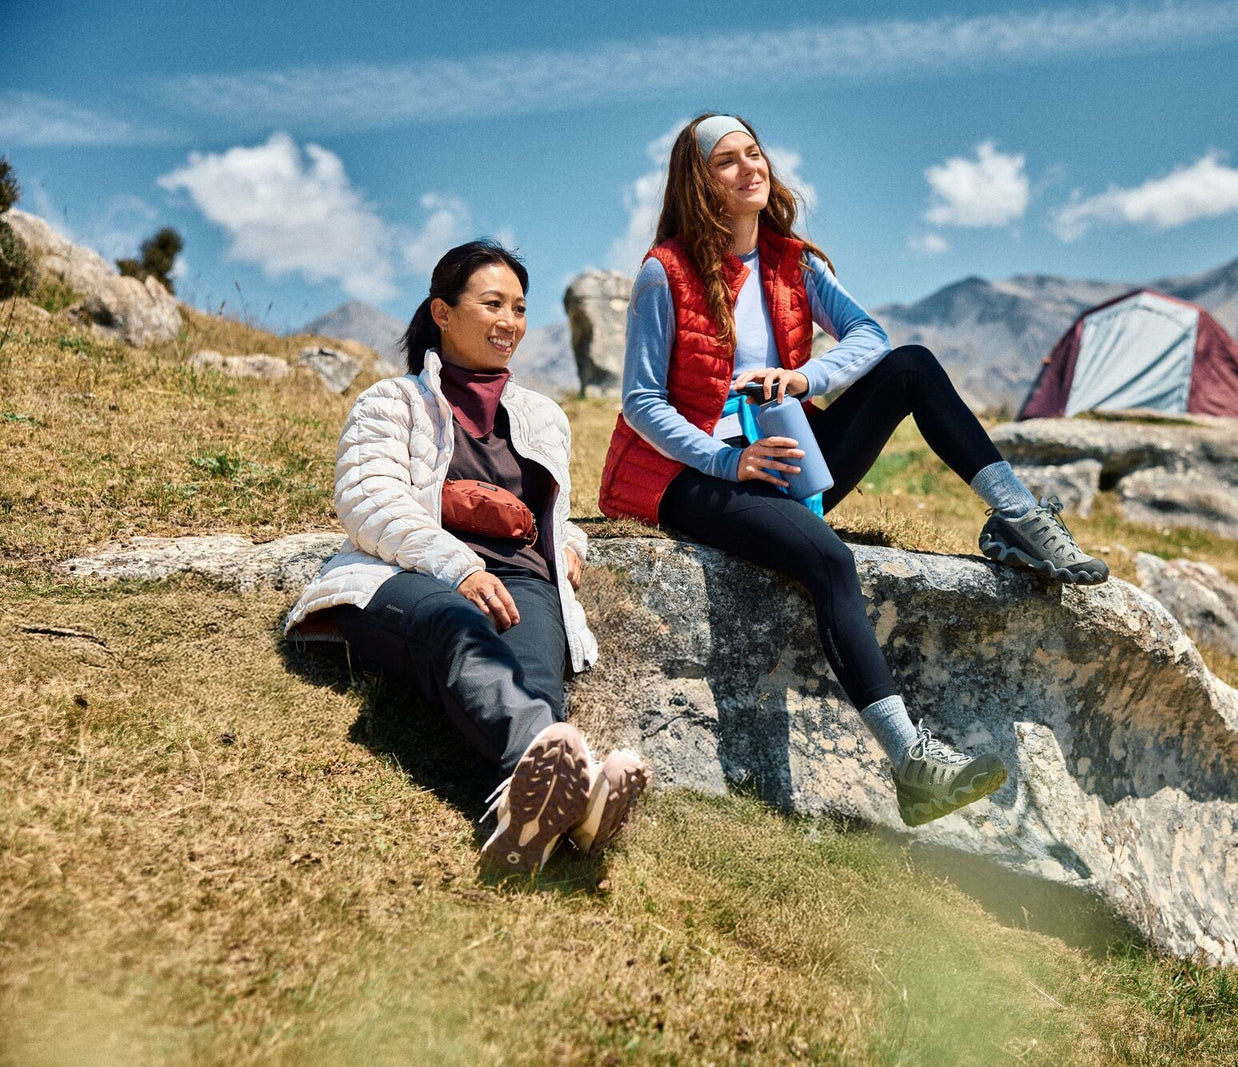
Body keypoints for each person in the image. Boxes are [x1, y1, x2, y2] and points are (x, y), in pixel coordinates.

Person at [598, 114, 1108, 827]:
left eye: (755, 153)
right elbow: (642, 400)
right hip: (689, 474)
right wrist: (730, 460)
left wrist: (805, 379)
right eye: (726, 161)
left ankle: (1018, 517)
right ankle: (914, 764)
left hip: (786, 450)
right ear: (698, 182)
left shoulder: (794, 262)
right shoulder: (666, 270)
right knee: (829, 560)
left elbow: (870, 335)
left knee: (911, 366)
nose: (750, 167)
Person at [284, 240, 647, 874]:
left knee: (536, 682)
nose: (510, 322)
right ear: (443, 312)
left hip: (524, 580)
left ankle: (536, 817)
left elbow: (555, 513)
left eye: (520, 308)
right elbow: (368, 500)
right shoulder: (391, 402)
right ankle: (576, 801)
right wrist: (462, 569)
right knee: (454, 629)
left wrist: (569, 544)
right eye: (492, 304)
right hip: (406, 577)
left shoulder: (544, 415)